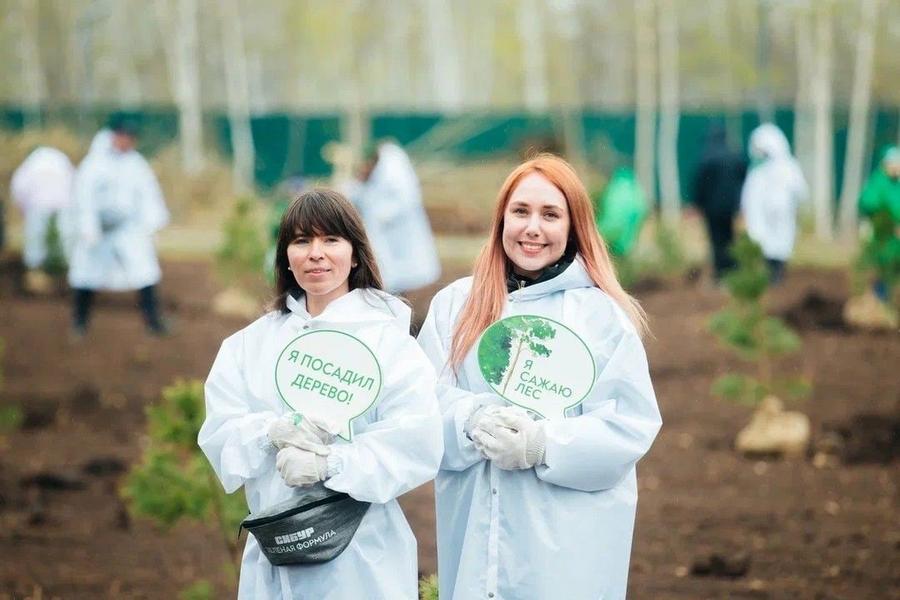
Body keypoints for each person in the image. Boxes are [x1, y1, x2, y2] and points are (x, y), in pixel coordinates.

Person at [417, 154, 662, 600]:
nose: (533, 228)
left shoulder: (600, 318)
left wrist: (542, 445)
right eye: (521, 212)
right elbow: (420, 404)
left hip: (566, 548)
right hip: (475, 531)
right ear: (501, 220)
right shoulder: (456, 307)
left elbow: (629, 425)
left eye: (550, 214)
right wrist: (470, 420)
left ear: (573, 227)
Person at [199, 189, 443, 599]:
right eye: (301, 241)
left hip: (362, 557)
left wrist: (331, 462)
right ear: (284, 257)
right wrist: (270, 433)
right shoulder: (249, 345)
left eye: (331, 240)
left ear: (356, 253)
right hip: (278, 551)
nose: (316, 253)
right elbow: (220, 433)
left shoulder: (389, 343)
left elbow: (416, 440)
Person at [66, 116, 170, 336]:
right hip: (99, 229)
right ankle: (79, 323)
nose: (128, 141)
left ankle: (153, 323)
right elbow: (83, 198)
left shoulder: (136, 163)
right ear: (114, 135)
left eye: (131, 137)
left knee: (145, 271)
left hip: (127, 228)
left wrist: (153, 223)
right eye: (124, 135)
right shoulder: (94, 164)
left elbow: (148, 194)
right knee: (86, 273)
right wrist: (88, 227)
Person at [352, 140, 440, 293]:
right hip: (386, 240)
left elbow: (405, 200)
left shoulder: (393, 172)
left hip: (402, 235)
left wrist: (381, 215)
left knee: (407, 277)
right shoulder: (374, 178)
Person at [740, 123, 808, 284]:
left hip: (783, 215)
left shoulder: (788, 168)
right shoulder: (757, 171)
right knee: (765, 243)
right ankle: (770, 274)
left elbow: (800, 190)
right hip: (762, 217)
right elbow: (750, 197)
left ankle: (778, 273)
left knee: (781, 243)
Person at [10, 146, 75, 290]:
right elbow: (75, 182)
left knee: (35, 240)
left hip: (39, 204)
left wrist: (23, 208)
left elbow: (19, 188)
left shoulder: (30, 164)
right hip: (64, 204)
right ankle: (66, 275)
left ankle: (36, 274)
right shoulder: (61, 160)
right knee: (67, 239)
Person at [691, 125, 748, 282]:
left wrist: (697, 203)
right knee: (730, 237)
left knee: (717, 240)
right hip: (730, 207)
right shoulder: (734, 156)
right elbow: (743, 178)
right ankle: (733, 270)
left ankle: (721, 273)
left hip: (712, 209)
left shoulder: (707, 157)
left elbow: (700, 183)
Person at [858, 146, 900, 303]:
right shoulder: (878, 182)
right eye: (896, 163)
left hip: (895, 239)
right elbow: (867, 203)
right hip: (881, 236)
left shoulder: (897, 184)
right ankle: (877, 301)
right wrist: (889, 223)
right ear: (887, 164)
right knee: (881, 269)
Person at [593, 165, 648, 258]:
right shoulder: (635, 191)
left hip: (607, 237)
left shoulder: (614, 188)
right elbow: (640, 211)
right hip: (623, 243)